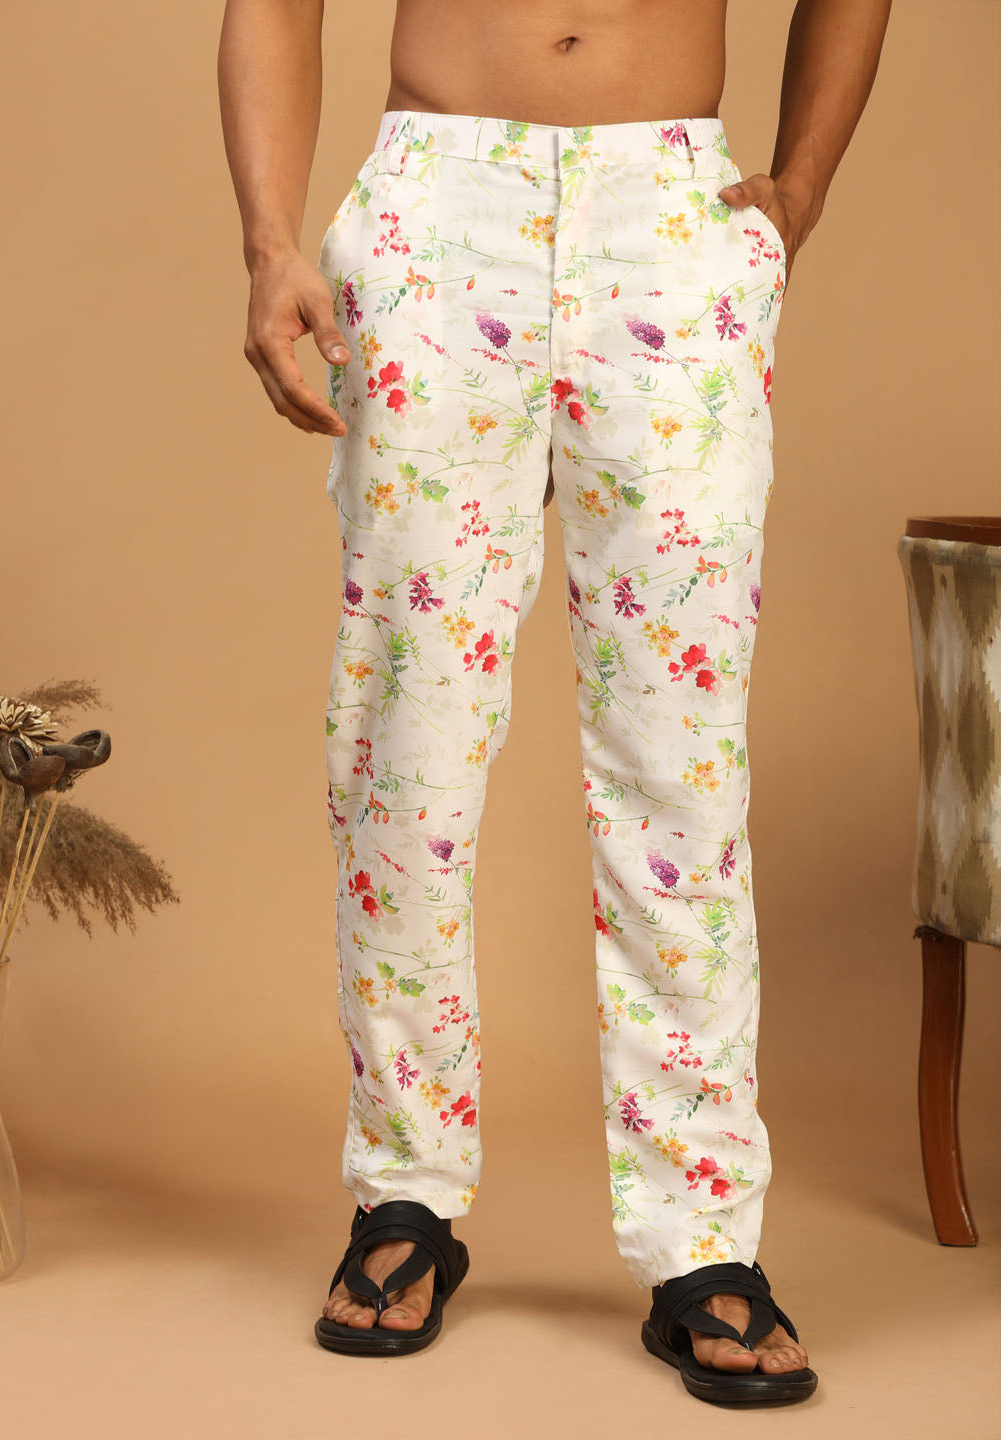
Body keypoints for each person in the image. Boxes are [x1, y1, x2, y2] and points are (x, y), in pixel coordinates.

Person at [218, 0, 890, 1404]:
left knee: (680, 759)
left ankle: (703, 1235)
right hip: (439, 211)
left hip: (672, 214)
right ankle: (404, 1191)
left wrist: (800, 193)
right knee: (404, 741)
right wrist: (272, 242)